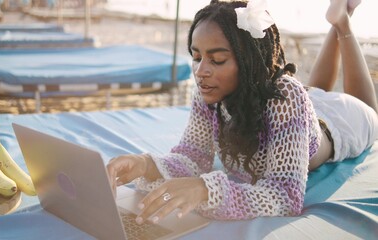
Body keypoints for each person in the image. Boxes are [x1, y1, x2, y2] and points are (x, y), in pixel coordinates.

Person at [107, 0, 378, 223]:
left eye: (218, 59)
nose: (201, 72)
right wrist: (146, 164)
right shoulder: (208, 91)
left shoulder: (286, 96)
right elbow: (193, 156)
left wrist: (205, 190)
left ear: (248, 62)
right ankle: (340, 14)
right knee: (318, 89)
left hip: (343, 124)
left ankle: (342, 22)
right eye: (197, 56)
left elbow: (284, 197)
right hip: (307, 106)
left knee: (368, 108)